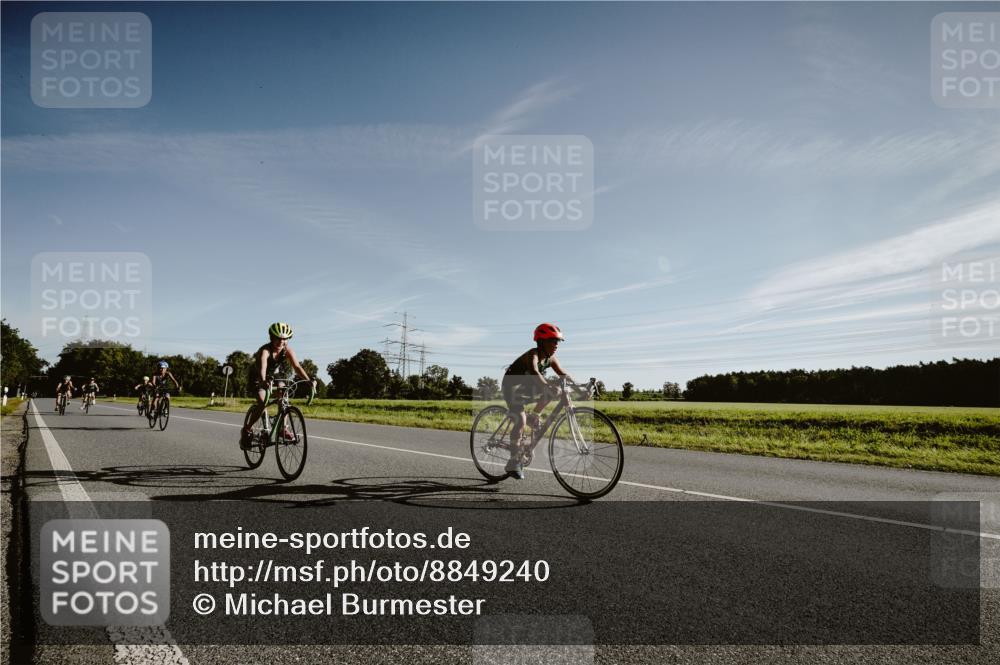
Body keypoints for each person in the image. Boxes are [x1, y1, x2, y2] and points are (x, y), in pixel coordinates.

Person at [501, 323, 574, 479]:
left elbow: (563, 375)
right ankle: (513, 462)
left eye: (558, 342)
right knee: (520, 421)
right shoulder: (533, 354)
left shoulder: (551, 358)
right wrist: (547, 386)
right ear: (541, 342)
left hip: (527, 387)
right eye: (552, 341)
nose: (556, 345)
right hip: (512, 387)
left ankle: (534, 415)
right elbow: (534, 371)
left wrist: (582, 388)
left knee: (555, 389)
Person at [241, 322, 315, 449]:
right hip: (258, 376)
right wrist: (263, 380)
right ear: (271, 338)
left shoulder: (287, 351)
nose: (281, 341)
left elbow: (297, 367)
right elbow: (263, 367)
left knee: (284, 397)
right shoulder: (265, 351)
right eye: (278, 338)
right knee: (263, 401)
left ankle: (283, 429)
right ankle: (247, 429)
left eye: (285, 339)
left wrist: (309, 381)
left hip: (274, 376)